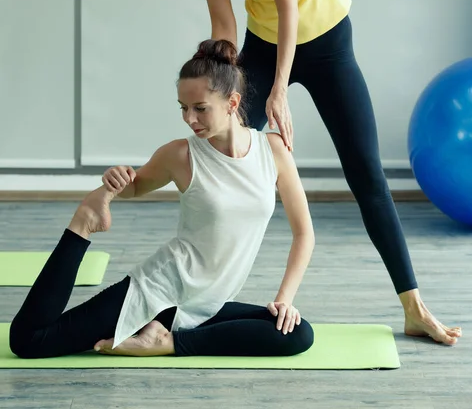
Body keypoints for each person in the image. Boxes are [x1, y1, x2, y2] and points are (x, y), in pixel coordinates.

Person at [132, 0, 462, 345]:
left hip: (326, 40)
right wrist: (222, 92)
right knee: (222, 155)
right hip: (263, 43)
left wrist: (278, 90)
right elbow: (223, 21)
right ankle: (188, 296)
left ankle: (413, 306)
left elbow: (290, 3)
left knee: (365, 174)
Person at [9, 39, 315, 359]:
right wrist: (117, 180)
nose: (189, 119)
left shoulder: (273, 151)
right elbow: (135, 186)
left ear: (232, 103)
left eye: (200, 108)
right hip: (159, 291)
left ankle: (166, 342)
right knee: (30, 340)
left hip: (207, 302)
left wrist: (285, 300)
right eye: (183, 108)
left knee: (296, 332)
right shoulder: (180, 154)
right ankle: (81, 223)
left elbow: (304, 233)